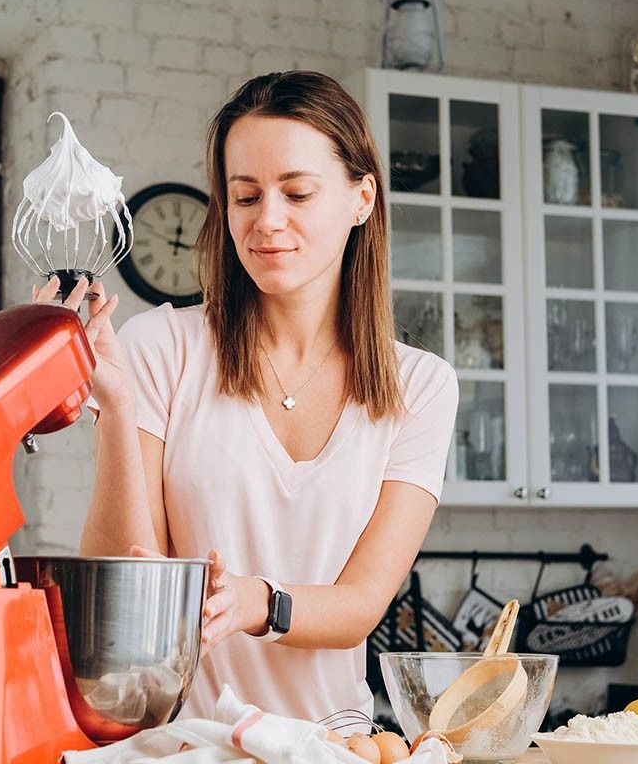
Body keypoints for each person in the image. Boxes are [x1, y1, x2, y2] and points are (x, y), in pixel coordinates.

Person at [32, 71, 458, 722]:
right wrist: (116, 410)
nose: (267, 221)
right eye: (246, 195)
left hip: (335, 745)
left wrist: (260, 601)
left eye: (297, 193)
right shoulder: (161, 346)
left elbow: (362, 605)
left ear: (361, 198)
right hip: (181, 746)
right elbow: (127, 580)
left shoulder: (420, 386)